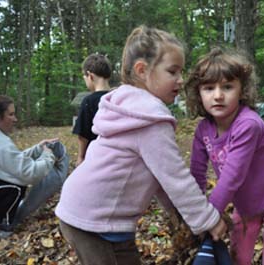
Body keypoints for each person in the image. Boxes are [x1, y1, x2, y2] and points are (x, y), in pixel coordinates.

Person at [55, 25, 227, 265]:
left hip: (95, 211)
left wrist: (178, 215)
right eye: (172, 71)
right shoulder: (149, 119)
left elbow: (160, 177)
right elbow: (175, 177)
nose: (180, 79)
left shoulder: (131, 110)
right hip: (93, 220)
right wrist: (208, 220)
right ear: (142, 70)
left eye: (181, 71)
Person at [185, 48, 264, 265]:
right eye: (209, 88)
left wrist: (210, 214)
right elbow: (197, 173)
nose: (218, 95)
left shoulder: (248, 124)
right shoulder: (203, 130)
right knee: (238, 256)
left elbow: (232, 177)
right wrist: (197, 213)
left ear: (241, 90)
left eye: (227, 87)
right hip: (245, 202)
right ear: (198, 93)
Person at [0, 92, 69, 240]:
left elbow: (11, 161)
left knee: (13, 182)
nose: (15, 119)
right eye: (11, 114)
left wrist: (38, 148)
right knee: (15, 188)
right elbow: (29, 174)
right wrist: (48, 155)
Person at [73, 53, 111, 167]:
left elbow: (83, 135)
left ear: (90, 76)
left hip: (94, 157)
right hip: (115, 155)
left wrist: (80, 157)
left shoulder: (88, 101)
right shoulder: (117, 97)